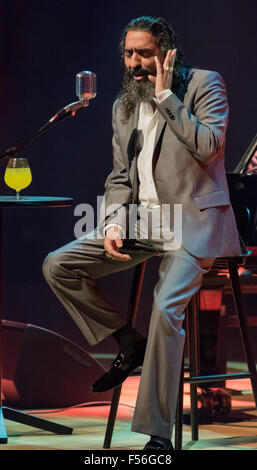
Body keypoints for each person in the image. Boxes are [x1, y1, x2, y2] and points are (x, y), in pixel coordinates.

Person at [42, 16, 241, 450]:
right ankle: (127, 340)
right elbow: (119, 178)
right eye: (129, 54)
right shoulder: (124, 105)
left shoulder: (205, 84)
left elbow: (210, 146)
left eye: (144, 54)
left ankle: (157, 436)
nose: (134, 63)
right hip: (144, 224)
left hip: (192, 222)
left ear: (167, 52)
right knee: (59, 264)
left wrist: (168, 96)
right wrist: (113, 220)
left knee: (165, 309)